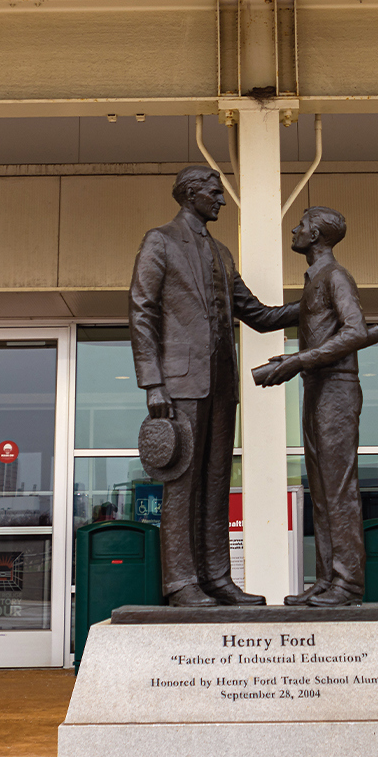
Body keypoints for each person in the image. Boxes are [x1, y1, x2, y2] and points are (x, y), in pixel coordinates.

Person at [129, 165, 297, 607]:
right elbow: (141, 311)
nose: (222, 200)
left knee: (218, 482)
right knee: (182, 484)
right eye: (214, 192)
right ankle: (182, 583)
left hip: (222, 386)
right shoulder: (160, 241)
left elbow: (258, 315)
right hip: (180, 384)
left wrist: (313, 302)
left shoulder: (222, 254)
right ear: (190, 194)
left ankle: (217, 578)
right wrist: (153, 382)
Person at [252, 205, 378, 607]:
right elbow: (266, 317)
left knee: (338, 489)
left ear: (317, 236)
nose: (295, 229)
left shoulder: (335, 276)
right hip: (317, 388)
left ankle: (347, 584)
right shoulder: (314, 284)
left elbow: (356, 330)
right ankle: (328, 581)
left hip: (337, 390)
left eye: (302, 225)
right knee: (323, 491)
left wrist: (297, 361)